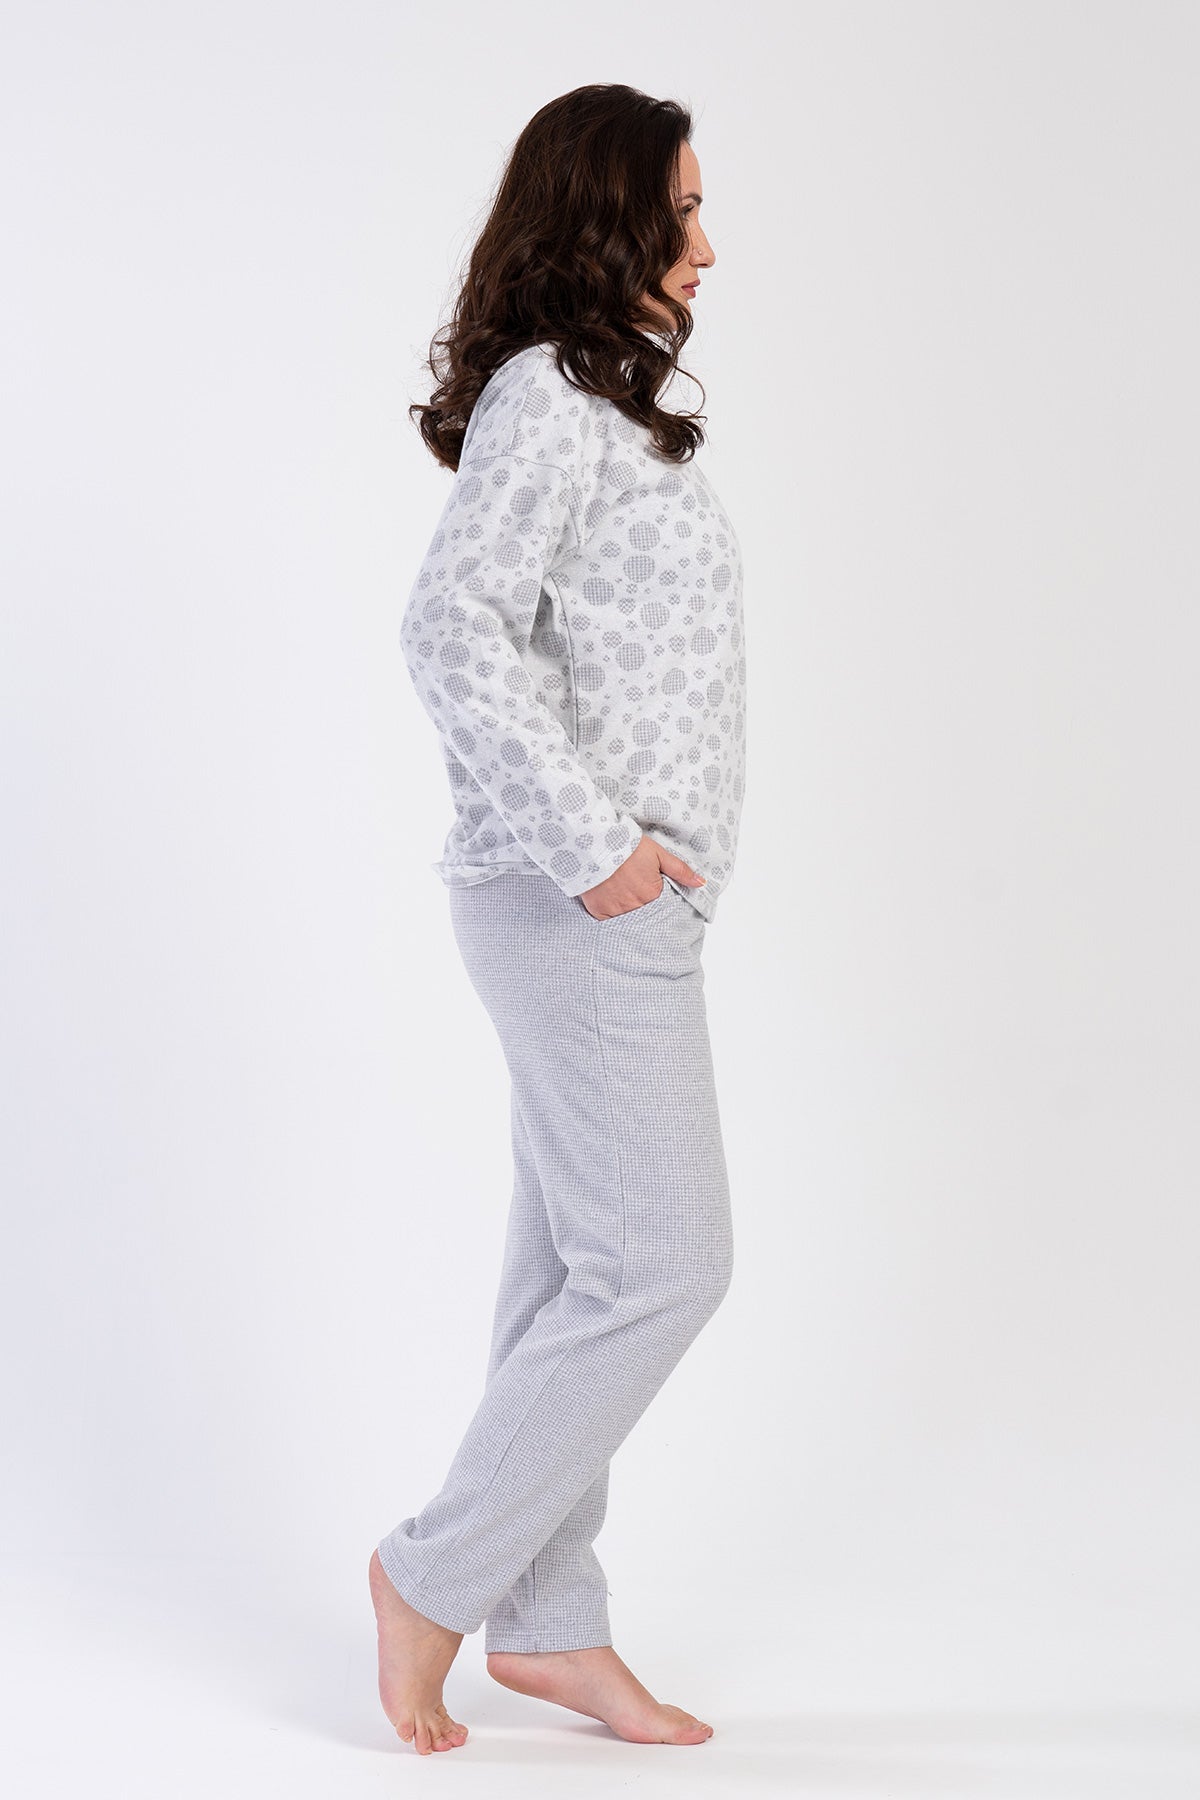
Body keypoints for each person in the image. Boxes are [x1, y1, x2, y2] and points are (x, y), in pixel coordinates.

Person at [370, 82, 746, 1756]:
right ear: (606, 217)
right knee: (666, 1265)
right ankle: (431, 1577)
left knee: (577, 1274)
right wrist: (600, 850)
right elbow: (450, 625)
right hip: (574, 899)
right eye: (682, 214)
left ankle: (548, 1621)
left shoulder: (597, 403)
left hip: (608, 905)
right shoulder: (548, 398)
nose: (706, 248)